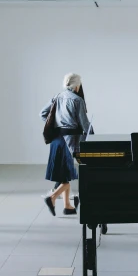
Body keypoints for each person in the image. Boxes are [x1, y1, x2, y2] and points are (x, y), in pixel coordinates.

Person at [40, 73, 90, 216]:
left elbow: (43, 114)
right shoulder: (78, 100)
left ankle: (68, 206)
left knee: (64, 175)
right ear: (77, 85)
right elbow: (85, 124)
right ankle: (52, 197)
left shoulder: (57, 97)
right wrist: (92, 137)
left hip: (57, 140)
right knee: (66, 174)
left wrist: (55, 124)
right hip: (69, 141)